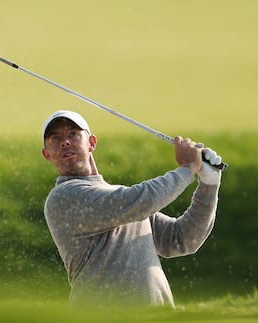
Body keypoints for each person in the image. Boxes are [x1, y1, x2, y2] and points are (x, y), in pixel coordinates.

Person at [41, 110, 223, 308]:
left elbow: (182, 239)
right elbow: (143, 199)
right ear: (47, 154)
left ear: (92, 142)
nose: (65, 142)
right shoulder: (64, 197)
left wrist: (209, 183)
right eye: (55, 138)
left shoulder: (124, 201)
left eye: (73, 134)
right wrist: (187, 168)